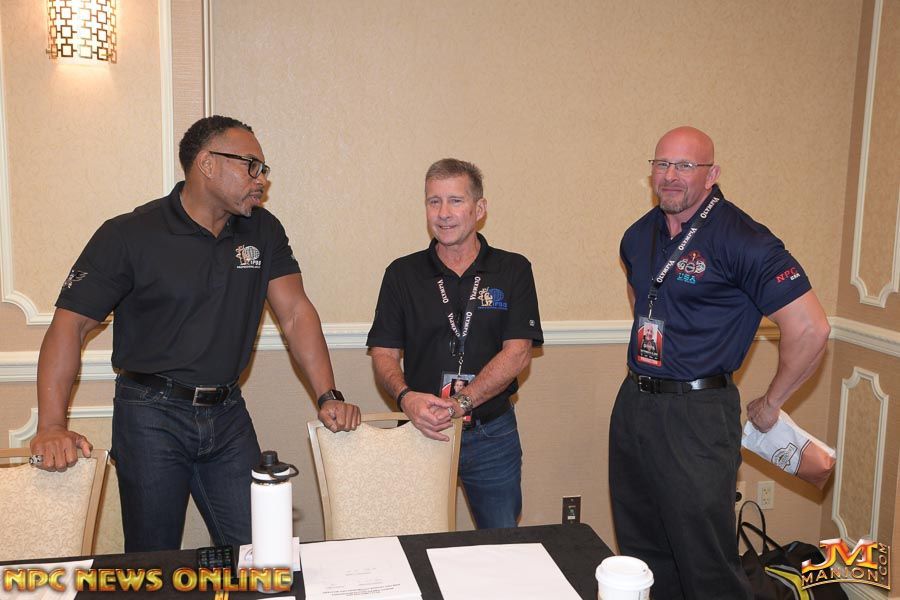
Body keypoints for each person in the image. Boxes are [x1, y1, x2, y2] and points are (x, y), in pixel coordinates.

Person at [30, 115, 361, 552]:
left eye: (263, 169)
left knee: (261, 548)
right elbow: (69, 325)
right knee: (153, 558)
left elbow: (296, 313)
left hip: (227, 413)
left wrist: (327, 395)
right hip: (150, 414)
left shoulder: (263, 230)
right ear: (207, 163)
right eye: (251, 165)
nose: (261, 179)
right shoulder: (128, 234)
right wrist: (52, 425)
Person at [611, 126, 830, 599]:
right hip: (635, 404)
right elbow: (642, 296)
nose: (670, 175)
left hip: (698, 414)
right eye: (661, 164)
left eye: (685, 166)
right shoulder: (638, 235)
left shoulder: (745, 240)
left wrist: (772, 403)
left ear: (712, 175)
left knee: (704, 560)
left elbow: (811, 328)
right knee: (642, 549)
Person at [367, 158, 543, 528]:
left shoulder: (513, 270)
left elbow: (518, 353)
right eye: (434, 201)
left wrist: (460, 403)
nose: (444, 213)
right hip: (421, 429)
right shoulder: (402, 274)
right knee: (415, 538)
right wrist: (406, 398)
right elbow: (383, 353)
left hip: (491, 433)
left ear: (480, 209)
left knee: (500, 543)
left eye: (456, 201)